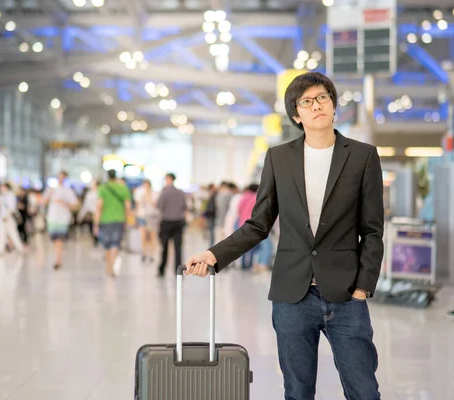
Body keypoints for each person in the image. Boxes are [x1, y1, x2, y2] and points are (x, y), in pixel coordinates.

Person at [185, 72, 384, 400]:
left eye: (322, 98)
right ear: (296, 114)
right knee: (297, 390)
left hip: (347, 294)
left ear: (333, 105)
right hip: (293, 296)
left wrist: (362, 288)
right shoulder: (279, 158)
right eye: (306, 101)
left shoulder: (362, 156)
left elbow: (373, 230)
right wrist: (213, 255)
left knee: (364, 390)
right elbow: (258, 224)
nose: (316, 105)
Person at [94, 169, 132, 277]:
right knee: (115, 243)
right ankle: (111, 266)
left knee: (106, 244)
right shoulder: (123, 189)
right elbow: (128, 207)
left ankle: (108, 266)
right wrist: (128, 220)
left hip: (105, 219)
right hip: (119, 219)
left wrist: (96, 223)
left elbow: (99, 206)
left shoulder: (103, 188)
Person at [42, 171, 79, 269]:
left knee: (59, 239)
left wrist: (63, 203)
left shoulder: (68, 191)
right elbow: (43, 202)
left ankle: (58, 259)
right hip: (52, 217)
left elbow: (75, 206)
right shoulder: (50, 189)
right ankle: (58, 257)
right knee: (55, 239)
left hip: (63, 218)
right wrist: (50, 194)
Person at [156, 173, 187, 277]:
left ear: (168, 179)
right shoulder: (180, 193)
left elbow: (159, 205)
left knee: (164, 247)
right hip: (178, 222)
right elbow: (184, 207)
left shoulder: (164, 192)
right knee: (178, 247)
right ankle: (178, 270)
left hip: (166, 222)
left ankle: (162, 269)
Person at [133, 179, 159, 263]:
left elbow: (156, 206)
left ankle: (151, 254)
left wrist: (149, 197)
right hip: (142, 216)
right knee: (143, 236)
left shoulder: (155, 193)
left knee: (152, 236)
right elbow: (137, 205)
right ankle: (144, 253)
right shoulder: (139, 192)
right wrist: (135, 217)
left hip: (152, 217)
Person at [0, 183, 25, 255]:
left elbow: (12, 208)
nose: (1, 189)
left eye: (2, 187)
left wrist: (7, 216)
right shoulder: (1, 196)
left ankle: (20, 248)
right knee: (1, 234)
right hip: (1, 217)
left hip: (9, 218)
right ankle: (0, 250)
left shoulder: (11, 195)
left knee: (13, 233)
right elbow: (0, 207)